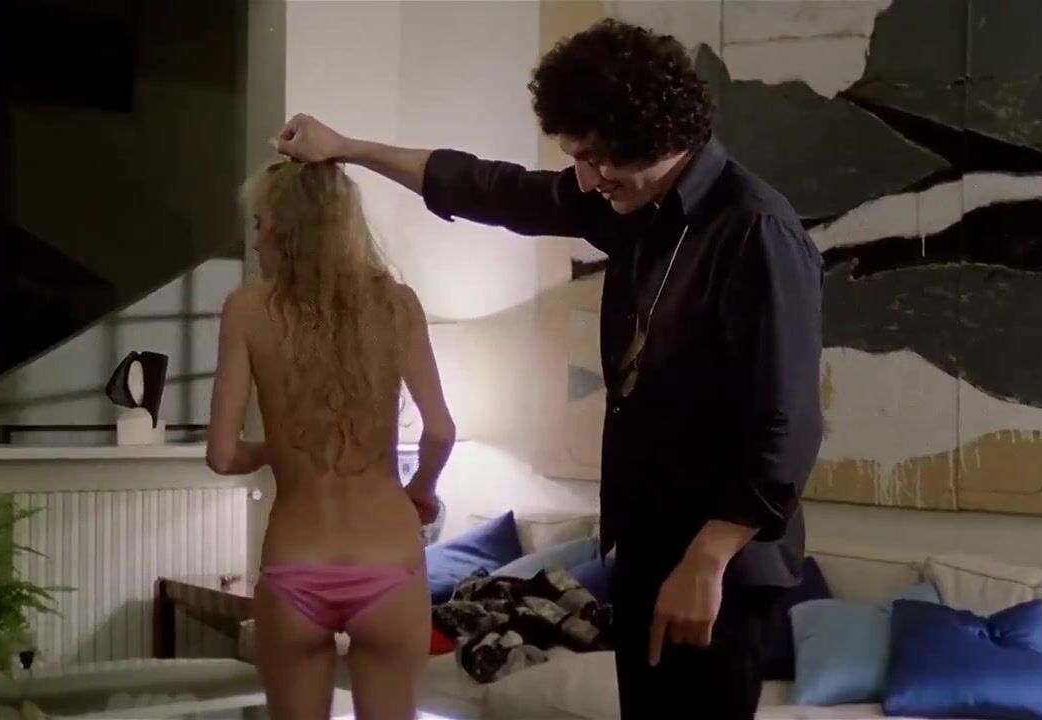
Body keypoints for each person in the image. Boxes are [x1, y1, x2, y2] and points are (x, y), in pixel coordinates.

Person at [274, 17, 823, 720]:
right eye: (577, 159)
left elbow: (787, 426)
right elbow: (493, 188)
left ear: (650, 132)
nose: (586, 179)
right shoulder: (638, 209)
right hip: (649, 548)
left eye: (594, 157)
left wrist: (708, 559)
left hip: (719, 566)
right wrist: (350, 148)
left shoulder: (754, 229)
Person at [205, 160, 456, 720]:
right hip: (390, 564)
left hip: (296, 564)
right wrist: (420, 489)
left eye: (259, 224)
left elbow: (222, 455)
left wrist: (282, 452)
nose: (254, 241)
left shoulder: (246, 310)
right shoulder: (398, 305)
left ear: (288, 227)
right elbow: (441, 430)